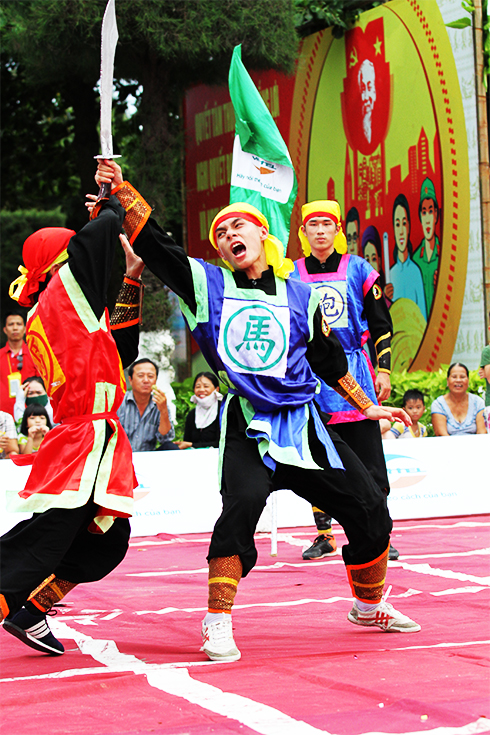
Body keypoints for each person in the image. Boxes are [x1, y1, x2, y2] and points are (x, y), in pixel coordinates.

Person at [97, 160, 421, 664]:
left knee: (371, 508)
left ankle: (368, 603)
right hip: (248, 423)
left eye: (237, 226)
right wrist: (121, 190)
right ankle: (217, 620)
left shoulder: (303, 296)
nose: (227, 235)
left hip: (304, 424)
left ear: (262, 234)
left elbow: (330, 364)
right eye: (220, 233)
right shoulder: (208, 285)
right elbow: (157, 244)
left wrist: (371, 407)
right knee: (242, 506)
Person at [0, 182, 151, 657]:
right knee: (52, 534)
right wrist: (110, 199)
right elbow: (102, 232)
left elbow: (121, 350)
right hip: (85, 436)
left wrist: (130, 278)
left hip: (92, 434)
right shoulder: (63, 291)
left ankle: (31, 612)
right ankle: (17, 599)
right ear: (61, 258)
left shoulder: (65, 308)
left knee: (108, 537)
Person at [292, 201, 399, 562]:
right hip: (311, 378)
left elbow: (381, 324)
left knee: (369, 458)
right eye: (313, 225)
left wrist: (383, 369)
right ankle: (324, 534)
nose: (320, 231)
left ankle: (380, 530)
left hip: (355, 372)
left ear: (337, 229)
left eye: (326, 224)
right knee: (317, 458)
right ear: (303, 233)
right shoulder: (291, 275)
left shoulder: (359, 269)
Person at [117, 357, 176, 452]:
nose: (146, 380)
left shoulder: (159, 402)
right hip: (120, 457)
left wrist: (163, 411)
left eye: (150, 376)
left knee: (171, 447)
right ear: (130, 380)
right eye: (140, 376)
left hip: (148, 457)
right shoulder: (119, 402)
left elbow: (165, 438)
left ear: (156, 380)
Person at [385, 194, 427, 320]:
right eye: (397, 225)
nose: (401, 231)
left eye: (404, 223)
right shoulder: (391, 274)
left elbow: (423, 317)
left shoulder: (415, 272)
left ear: (408, 226)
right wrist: (385, 299)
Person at [0, 312, 39, 417]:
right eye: (11, 324)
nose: (15, 328)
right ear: (5, 330)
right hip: (3, 414)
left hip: (31, 414)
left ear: (25, 328)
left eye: (19, 324)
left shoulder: (35, 354)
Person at [431, 363, 486, 436]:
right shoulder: (438, 404)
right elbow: (441, 434)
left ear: (468, 381)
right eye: (454, 377)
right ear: (447, 381)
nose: (458, 380)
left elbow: (482, 433)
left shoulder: (478, 402)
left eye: (462, 377)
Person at [413, 178, 440, 316]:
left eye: (431, 211)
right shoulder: (416, 259)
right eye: (424, 212)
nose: (428, 218)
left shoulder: (443, 257)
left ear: (436, 215)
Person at [174, 372, 222, 449]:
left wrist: (192, 445)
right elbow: (187, 441)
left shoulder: (223, 410)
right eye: (198, 387)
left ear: (217, 389)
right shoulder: (192, 414)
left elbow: (222, 442)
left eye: (206, 386)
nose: (201, 390)